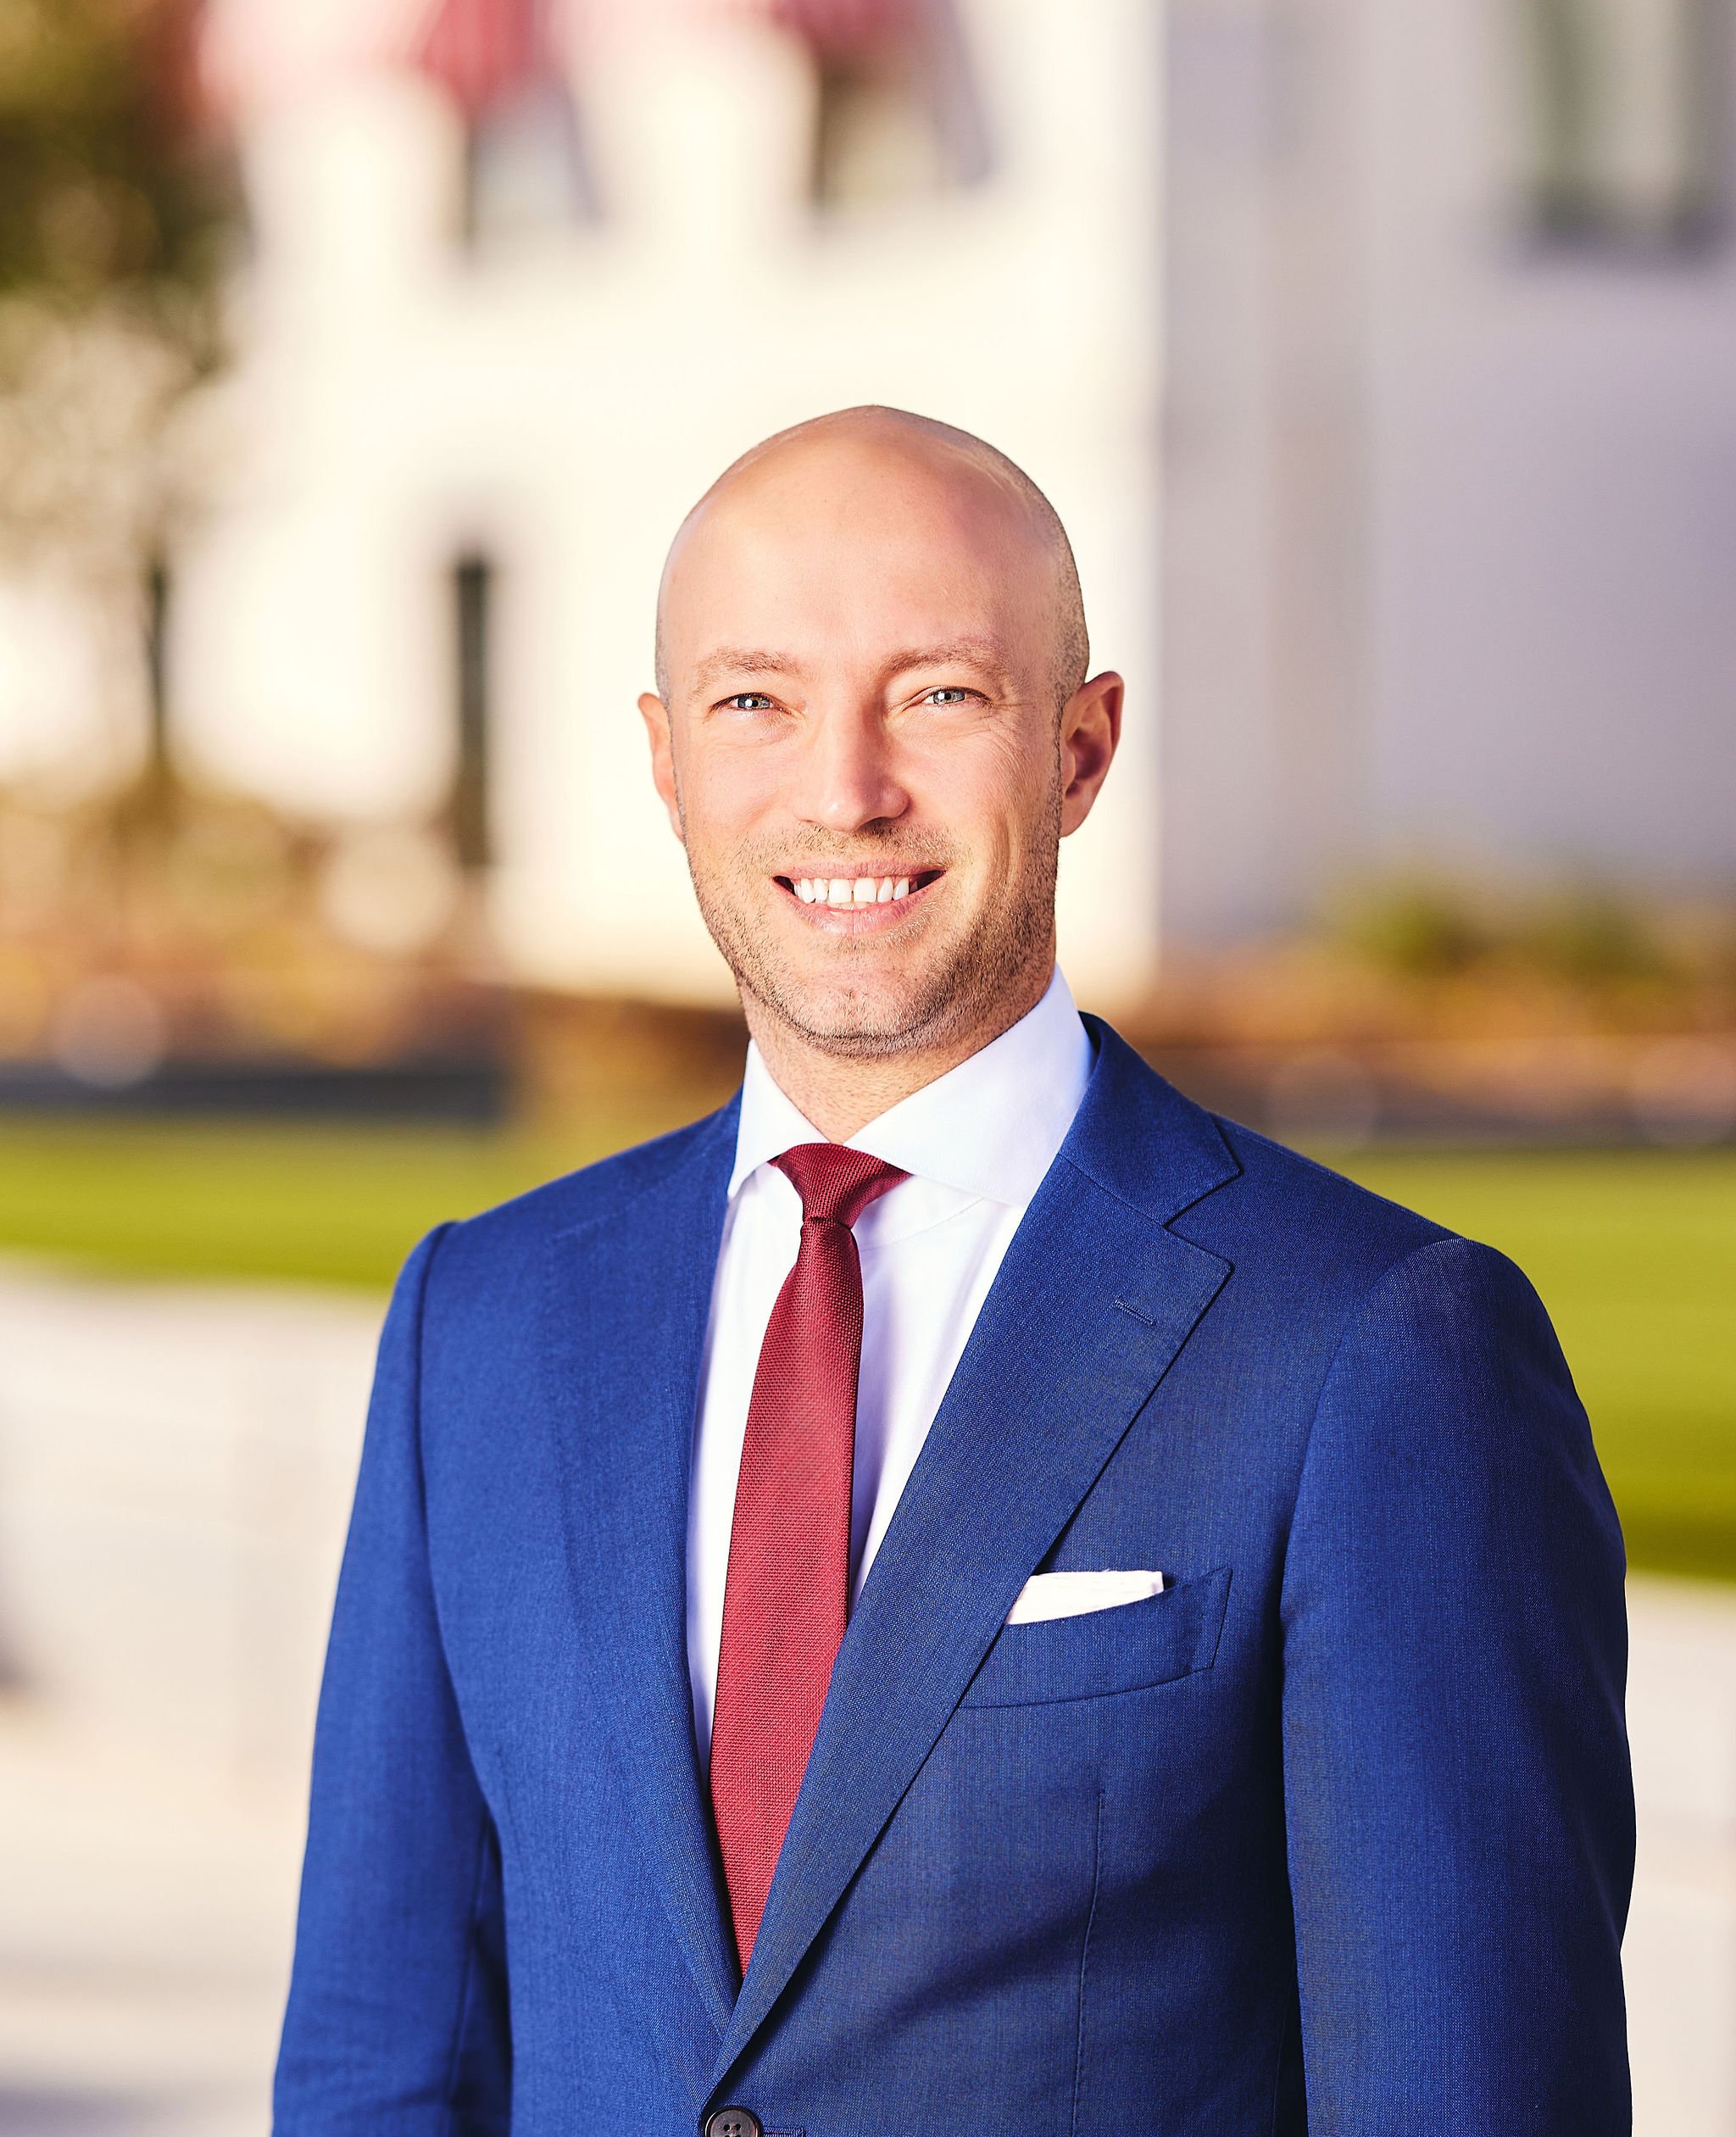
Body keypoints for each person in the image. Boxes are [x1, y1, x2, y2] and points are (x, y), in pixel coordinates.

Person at [274, 408, 1633, 2136]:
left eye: (938, 693)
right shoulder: (482, 1319)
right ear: (666, 756)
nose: (844, 785)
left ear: (1079, 748)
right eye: (756, 699)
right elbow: (377, 2068)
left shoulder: (1377, 1347)